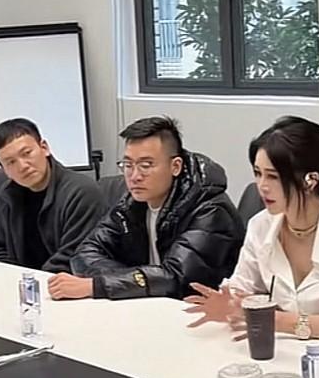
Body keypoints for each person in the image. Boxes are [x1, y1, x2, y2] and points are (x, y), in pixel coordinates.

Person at [185, 116, 319, 341]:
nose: (262, 186)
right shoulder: (261, 225)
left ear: (310, 180)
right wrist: (229, 302)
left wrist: (276, 321)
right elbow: (242, 286)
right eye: (258, 173)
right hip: (293, 348)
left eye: (273, 176)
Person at [48, 115, 243, 300]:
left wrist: (97, 285)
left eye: (146, 165)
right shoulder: (131, 204)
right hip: (147, 306)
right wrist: (133, 281)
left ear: (175, 166)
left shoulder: (210, 210)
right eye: (128, 165)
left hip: (197, 311)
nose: (135, 176)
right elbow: (84, 254)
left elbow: (176, 278)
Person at [0, 117, 104, 272]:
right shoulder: (8, 195)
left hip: (68, 281)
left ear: (44, 148)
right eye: (11, 162)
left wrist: (34, 281)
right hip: (26, 281)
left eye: (27, 153)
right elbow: (1, 250)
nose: (22, 166)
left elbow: (74, 257)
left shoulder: (81, 192)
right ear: (4, 171)